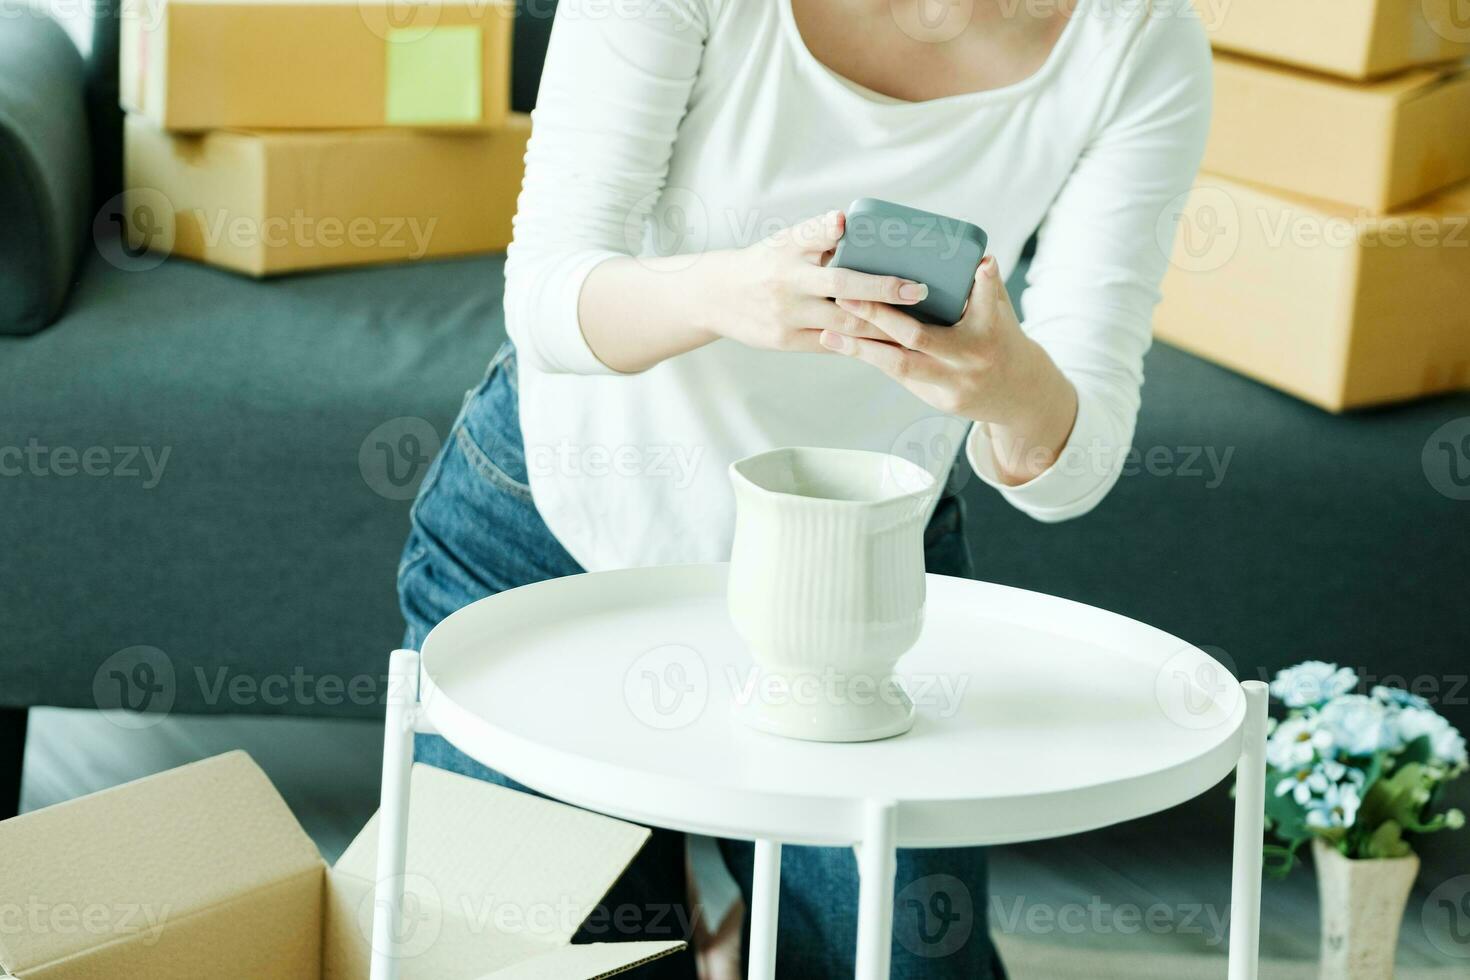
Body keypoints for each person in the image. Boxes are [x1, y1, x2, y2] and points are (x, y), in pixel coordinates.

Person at [398, 0, 1212, 975]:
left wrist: (1013, 386)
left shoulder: (1140, 43)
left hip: (861, 589)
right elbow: (545, 299)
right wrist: (724, 292)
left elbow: (1068, 470)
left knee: (911, 961)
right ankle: (693, 907)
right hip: (551, 542)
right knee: (558, 957)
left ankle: (742, 929)